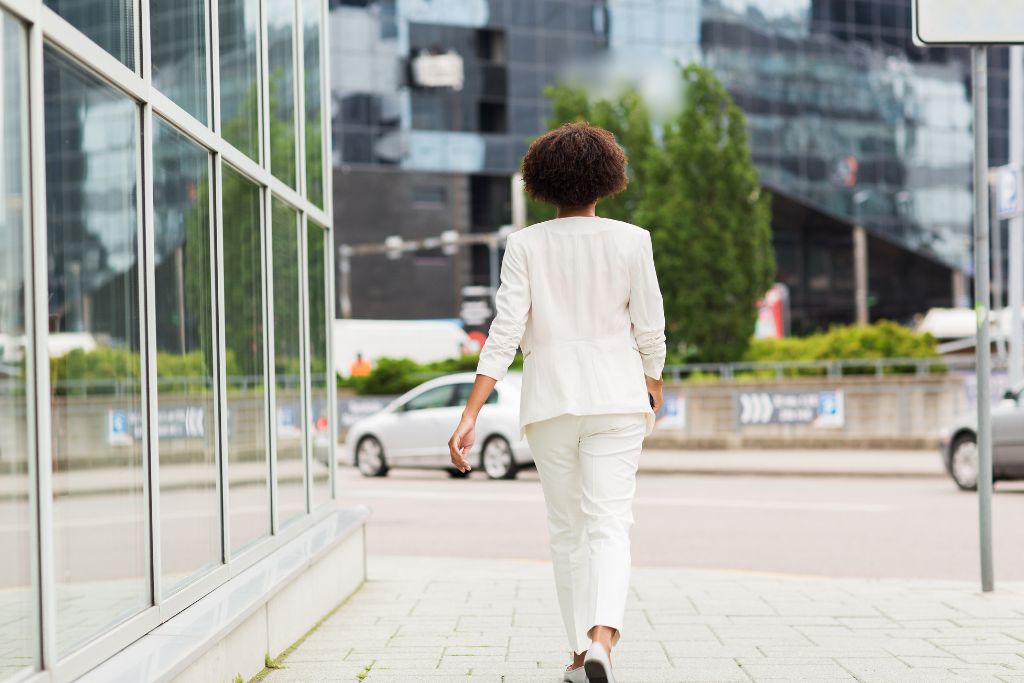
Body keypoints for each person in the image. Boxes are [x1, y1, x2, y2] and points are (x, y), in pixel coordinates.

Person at [447, 122, 666, 683]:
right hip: (618, 398)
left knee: (568, 531)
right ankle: (601, 641)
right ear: (606, 179)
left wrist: (471, 412)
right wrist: (654, 380)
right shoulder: (631, 240)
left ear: (543, 182)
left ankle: (577, 653)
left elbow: (503, 332)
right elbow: (651, 324)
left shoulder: (525, 245)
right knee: (610, 525)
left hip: (549, 403)